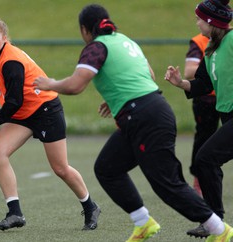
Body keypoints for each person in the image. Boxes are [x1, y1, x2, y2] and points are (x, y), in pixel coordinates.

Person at [34, 3, 233, 242]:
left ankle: (219, 230)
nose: (196, 23)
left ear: (85, 29)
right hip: (145, 112)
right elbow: (147, 74)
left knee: (166, 183)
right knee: (107, 168)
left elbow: (76, 85)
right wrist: (119, 95)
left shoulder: (96, 47)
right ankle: (143, 222)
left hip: (144, 117)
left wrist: (50, 84)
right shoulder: (124, 40)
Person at [0, 17, 100, 231]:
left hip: (45, 110)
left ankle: (90, 206)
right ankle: (15, 213)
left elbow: (14, 101)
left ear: (4, 38)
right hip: (22, 113)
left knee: (60, 168)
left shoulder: (11, 60)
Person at [165, 0, 233, 240]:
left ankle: (216, 223)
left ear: (211, 22)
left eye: (199, 19)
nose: (196, 22)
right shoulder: (211, 49)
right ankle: (216, 223)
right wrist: (180, 83)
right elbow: (203, 84)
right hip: (228, 116)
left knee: (205, 159)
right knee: (207, 160)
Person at [185, 33, 219, 199]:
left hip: (227, 97)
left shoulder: (228, 39)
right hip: (206, 98)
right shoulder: (199, 41)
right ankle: (199, 179)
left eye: (200, 19)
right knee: (204, 138)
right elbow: (189, 71)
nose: (197, 22)